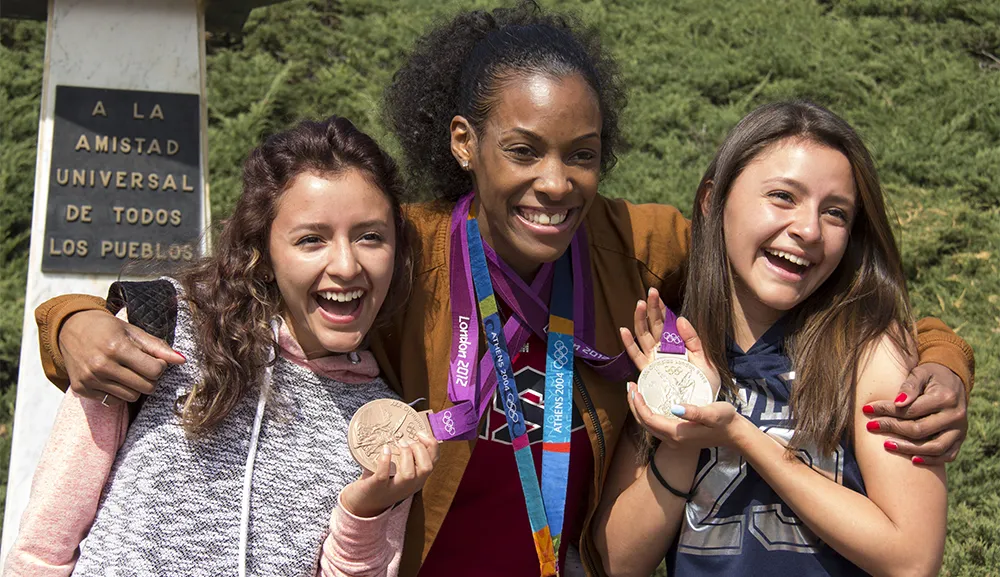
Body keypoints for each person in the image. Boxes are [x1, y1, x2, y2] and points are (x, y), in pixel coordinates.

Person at [30, 3, 974, 576]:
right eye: (523, 150)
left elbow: (797, 270)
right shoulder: (404, 249)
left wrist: (940, 357)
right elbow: (249, 286)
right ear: (462, 145)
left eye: (582, 155)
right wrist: (67, 318)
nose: (555, 182)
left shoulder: (636, 244)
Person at [6, 116, 439, 577]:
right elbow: (42, 549)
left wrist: (364, 515)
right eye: (311, 239)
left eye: (370, 236)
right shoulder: (159, 331)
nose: (347, 265)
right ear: (264, 251)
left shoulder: (387, 425)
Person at [594, 101, 950, 576]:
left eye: (836, 213)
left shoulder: (870, 353)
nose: (808, 230)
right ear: (711, 199)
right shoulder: (674, 345)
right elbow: (615, 563)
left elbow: (912, 559)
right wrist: (682, 436)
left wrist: (741, 436)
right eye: (783, 196)